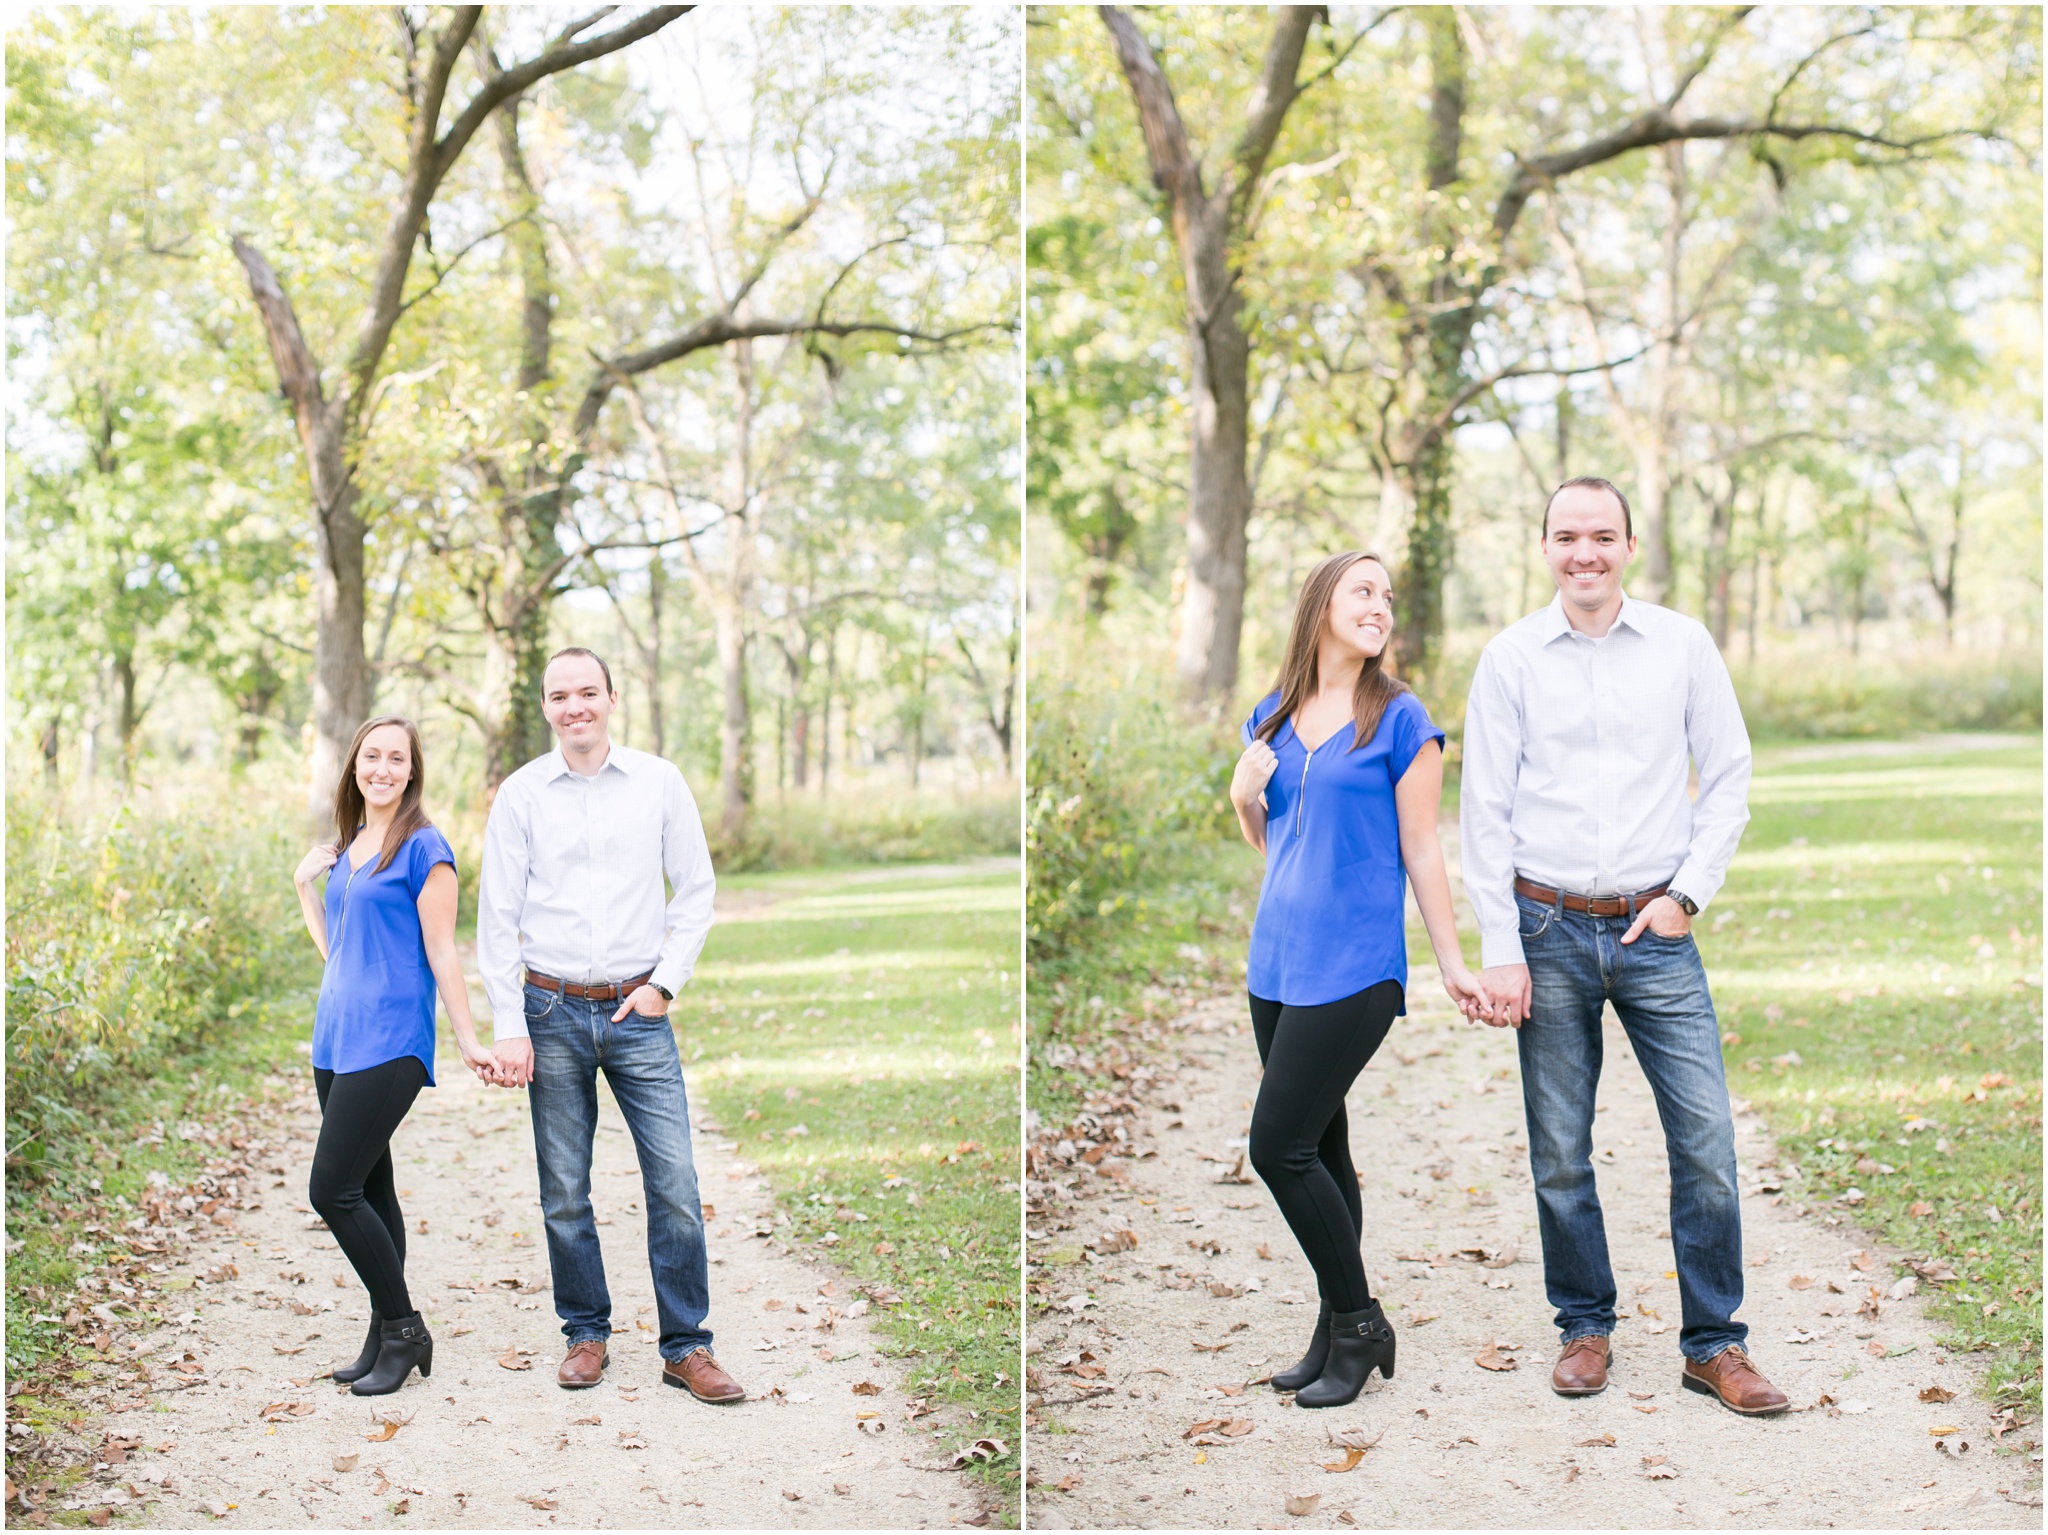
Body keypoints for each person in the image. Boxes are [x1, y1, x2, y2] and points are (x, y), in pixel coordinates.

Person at [1460, 476, 1787, 1415]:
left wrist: (1689, 895)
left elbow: (1728, 773)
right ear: (1547, 546)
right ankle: (1584, 1325)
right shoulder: (1511, 658)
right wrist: (1501, 947)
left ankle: (1715, 1345)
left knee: (1707, 1137)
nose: (1585, 553)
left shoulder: (1682, 644)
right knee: (1561, 1147)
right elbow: (1483, 806)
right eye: (1568, 536)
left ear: (1630, 545)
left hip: (1656, 925)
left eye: (1602, 535)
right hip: (1546, 923)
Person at [1227, 551, 1490, 1409]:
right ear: (1322, 605)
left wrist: (1451, 963)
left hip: (1355, 967)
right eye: (1362, 592)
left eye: (1387, 596)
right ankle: (1331, 1328)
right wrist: (1241, 801)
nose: (1380, 606)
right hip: (1276, 963)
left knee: (1278, 1147)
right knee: (1324, 1149)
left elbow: (1421, 847)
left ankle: (1361, 1319)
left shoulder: (1402, 718)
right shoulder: (1270, 716)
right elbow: (1284, 846)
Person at [476, 647, 742, 1403]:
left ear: (611, 698)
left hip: (637, 1009)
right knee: (564, 1187)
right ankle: (585, 1331)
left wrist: (664, 985)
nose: (574, 706)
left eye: (587, 691)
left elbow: (696, 889)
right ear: (547, 707)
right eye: (560, 695)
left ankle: (686, 1345)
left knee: (677, 1181)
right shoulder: (522, 795)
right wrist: (509, 1025)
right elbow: (496, 916)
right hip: (550, 1007)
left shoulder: (659, 782)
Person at [292, 715, 498, 1397]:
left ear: (412, 771)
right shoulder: (349, 846)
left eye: (396, 758)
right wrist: (304, 889)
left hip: (391, 1040)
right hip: (336, 1038)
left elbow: (443, 951)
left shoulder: (424, 847)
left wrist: (469, 1038)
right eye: (371, 755)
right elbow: (341, 955)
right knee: (370, 1190)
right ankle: (383, 1334)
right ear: (354, 765)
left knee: (332, 1190)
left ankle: (406, 1329)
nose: (382, 767)